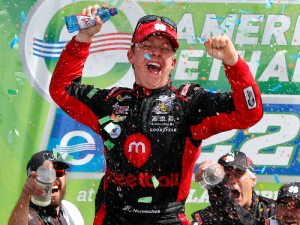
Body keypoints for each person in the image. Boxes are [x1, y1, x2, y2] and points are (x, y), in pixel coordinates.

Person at [49, 4, 263, 225]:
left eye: (165, 48)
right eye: (148, 45)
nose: (156, 52)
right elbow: (61, 89)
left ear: (173, 62)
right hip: (114, 218)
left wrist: (233, 63)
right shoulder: (109, 103)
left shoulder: (188, 102)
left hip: (167, 218)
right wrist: (83, 37)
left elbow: (249, 112)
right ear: (131, 55)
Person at [191, 151, 276, 225]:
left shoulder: (274, 211)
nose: (232, 180)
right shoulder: (206, 217)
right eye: (226, 176)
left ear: (253, 180)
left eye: (238, 174)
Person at [8, 150, 84, 225]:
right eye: (45, 174)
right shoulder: (28, 215)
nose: (52, 178)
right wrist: (25, 195)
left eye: (58, 172)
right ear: (31, 181)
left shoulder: (69, 211)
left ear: (65, 176)